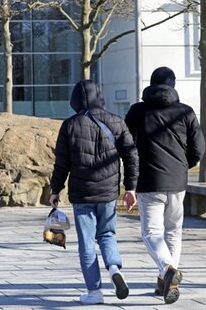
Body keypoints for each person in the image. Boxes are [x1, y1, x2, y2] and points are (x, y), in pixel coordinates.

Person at [49, 79, 139, 305]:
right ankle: (115, 270)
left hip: (82, 194)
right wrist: (131, 188)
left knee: (87, 243)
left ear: (75, 100)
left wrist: (55, 189)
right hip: (108, 192)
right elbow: (131, 156)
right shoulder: (117, 122)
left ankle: (94, 292)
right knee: (107, 234)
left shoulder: (69, 125)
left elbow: (62, 163)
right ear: (99, 96)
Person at [125, 66, 205, 304]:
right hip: (178, 181)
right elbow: (198, 149)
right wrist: (181, 166)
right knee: (173, 231)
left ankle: (167, 269)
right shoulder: (186, 112)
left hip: (149, 181)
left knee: (151, 233)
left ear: (150, 84)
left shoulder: (137, 112)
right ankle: (166, 278)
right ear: (173, 84)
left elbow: (126, 145)